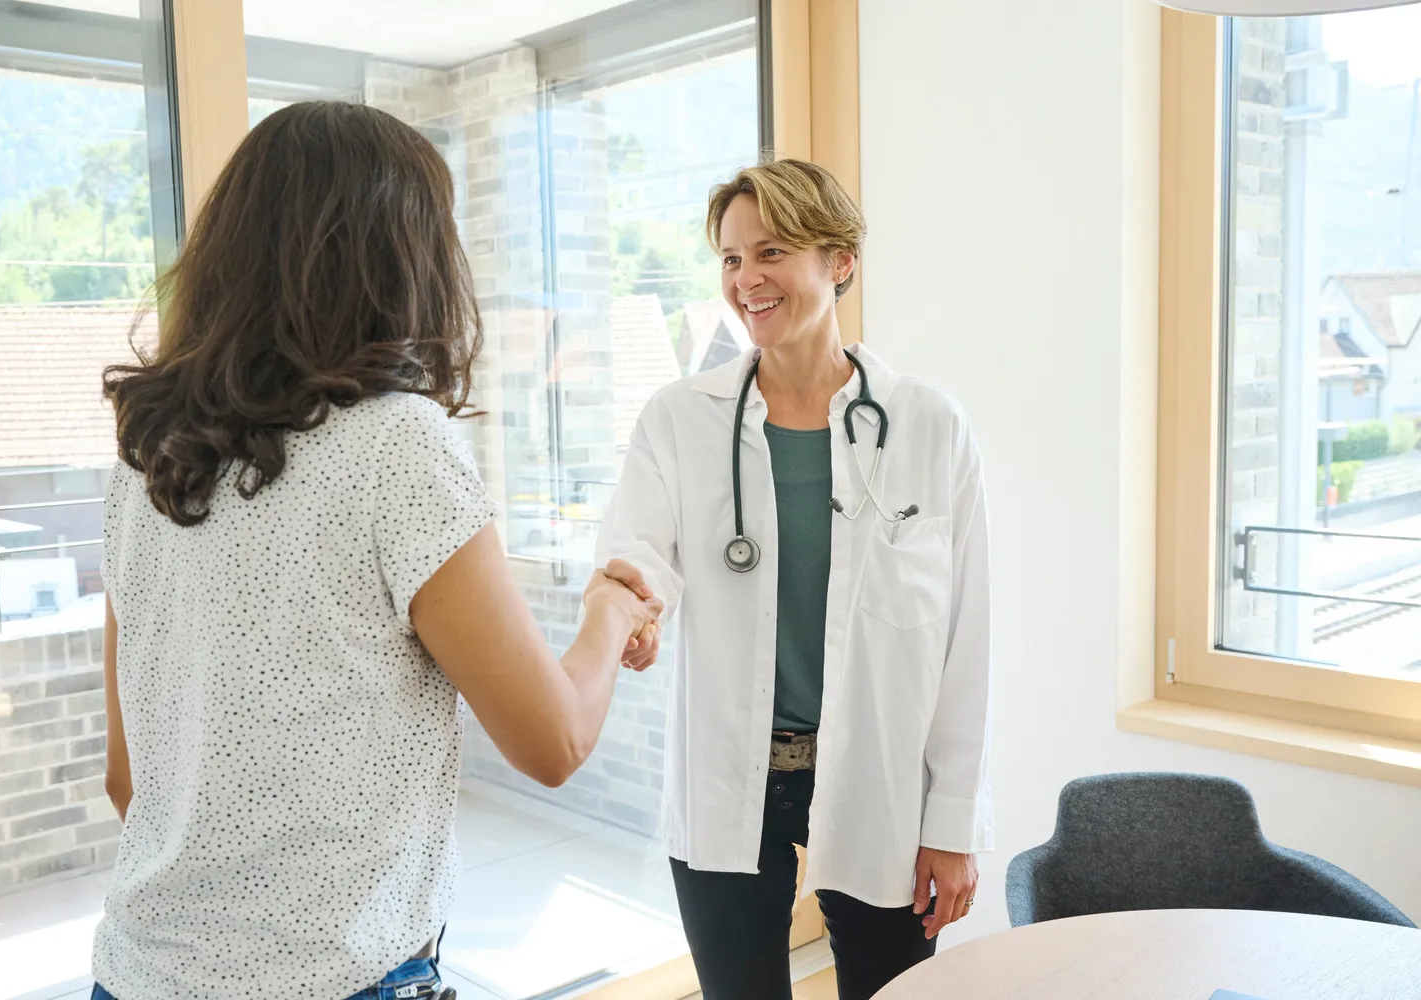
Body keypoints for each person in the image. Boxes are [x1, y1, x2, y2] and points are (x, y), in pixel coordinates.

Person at [90, 102, 661, 1000]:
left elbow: (130, 781)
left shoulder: (145, 457)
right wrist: (609, 611)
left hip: (136, 974)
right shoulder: (397, 445)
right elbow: (552, 740)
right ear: (400, 256)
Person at [596, 159, 993, 1000]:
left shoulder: (928, 425)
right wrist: (633, 611)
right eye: (731, 259)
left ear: (839, 260)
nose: (746, 280)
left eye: (770, 252)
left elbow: (968, 638)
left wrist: (954, 821)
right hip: (729, 771)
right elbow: (636, 553)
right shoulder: (678, 420)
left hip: (880, 773)